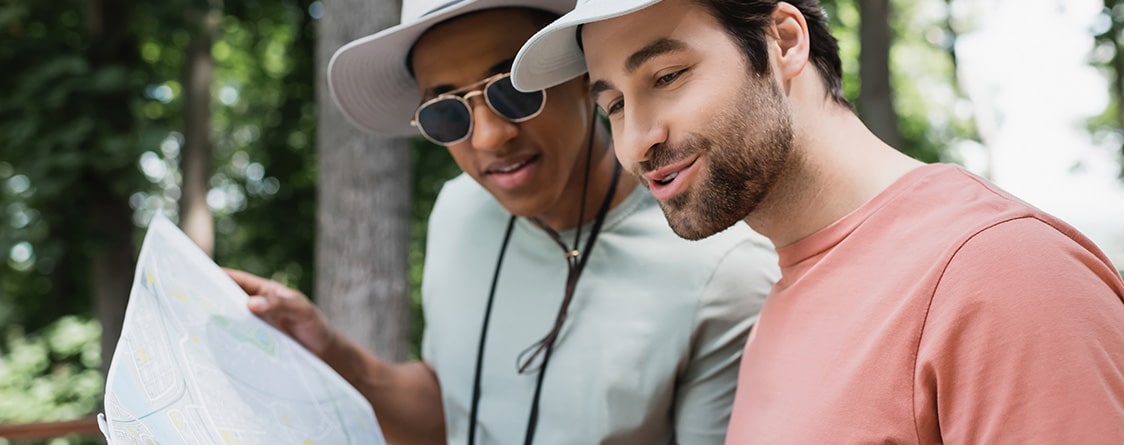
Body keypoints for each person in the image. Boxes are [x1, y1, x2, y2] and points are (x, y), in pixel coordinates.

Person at [509, 0, 1124, 442]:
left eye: (669, 75)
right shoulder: (784, 289)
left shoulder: (1002, 275)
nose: (637, 140)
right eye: (615, 104)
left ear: (784, 41)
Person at [226, 0, 779, 443]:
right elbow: (453, 415)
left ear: (581, 74)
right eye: (447, 112)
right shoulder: (458, 210)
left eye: (514, 89)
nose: (489, 138)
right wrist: (327, 348)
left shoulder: (722, 269)